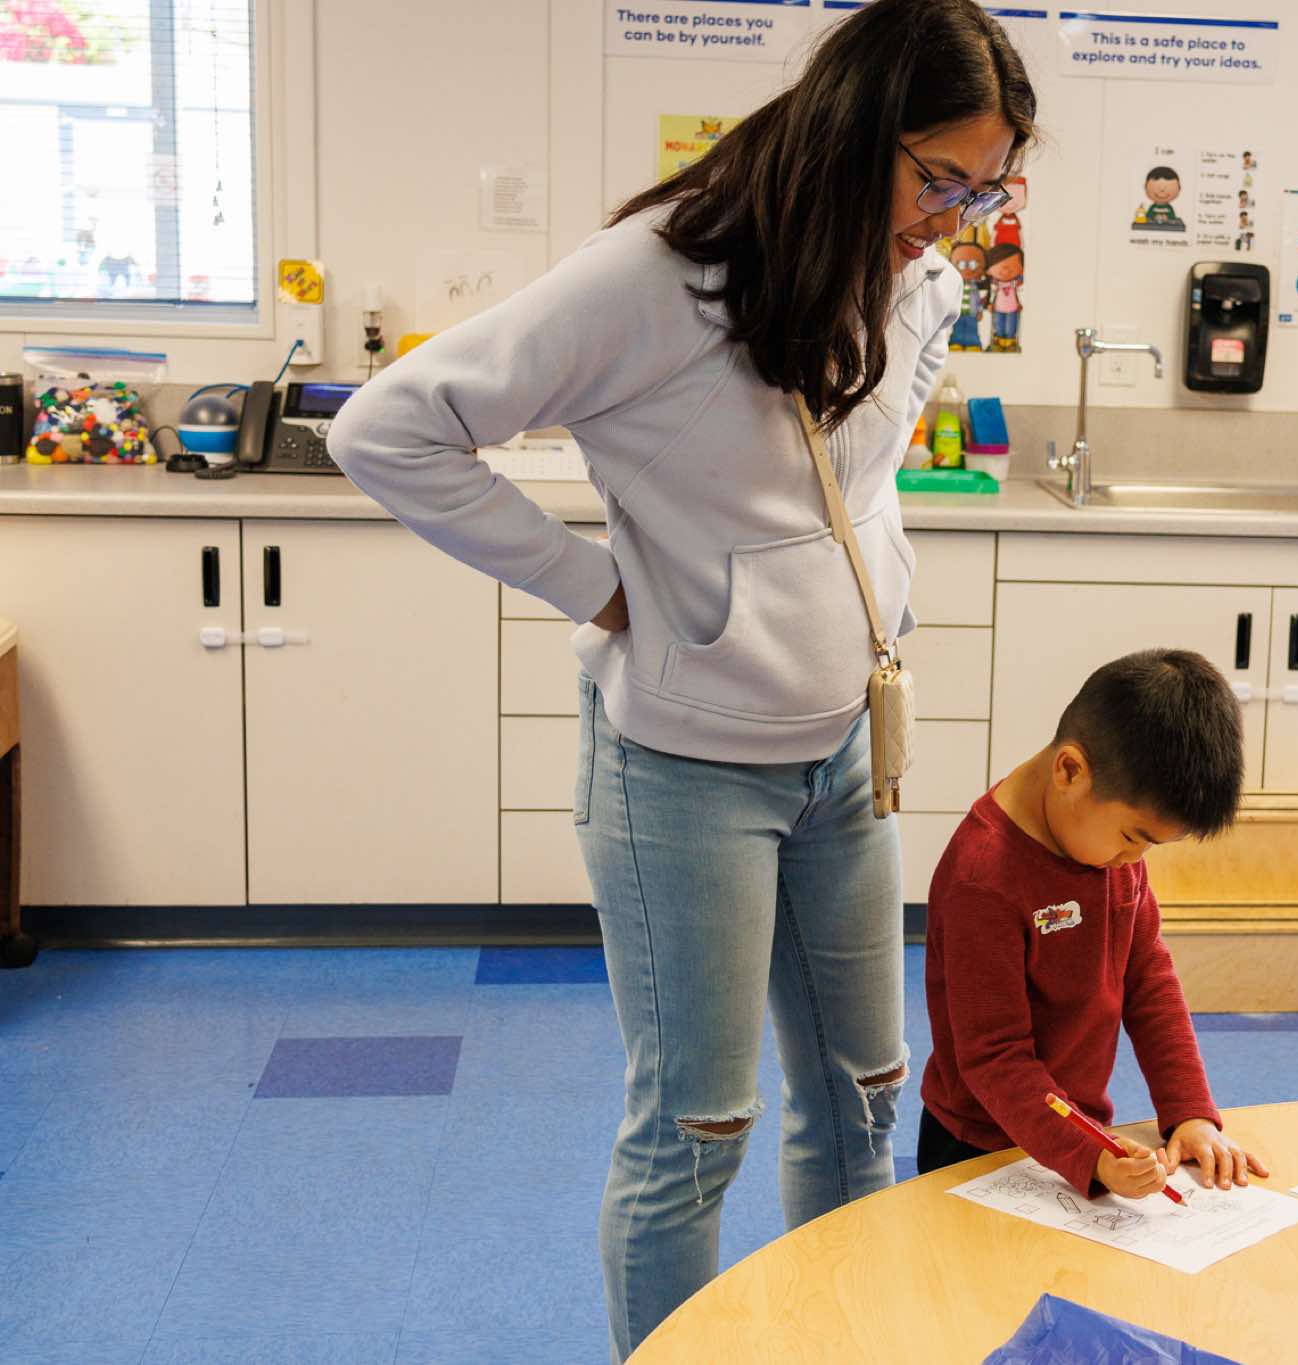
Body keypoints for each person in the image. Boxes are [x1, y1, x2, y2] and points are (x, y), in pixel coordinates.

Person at [327, 2, 1035, 1358]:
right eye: (939, 179)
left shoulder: (915, 279)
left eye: (986, 189)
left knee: (863, 1099)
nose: (957, 219)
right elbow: (389, 430)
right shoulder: (654, 277)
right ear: (851, 132)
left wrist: (868, 587)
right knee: (695, 1131)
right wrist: (592, 585)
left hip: (845, 752)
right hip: (682, 771)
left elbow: (862, 463)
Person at [918, 650, 1269, 1198]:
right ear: (1069, 771)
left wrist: (1189, 1112)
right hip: (977, 1150)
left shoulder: (1106, 849)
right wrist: (1092, 1156)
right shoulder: (983, 879)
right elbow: (994, 1058)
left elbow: (1148, 977)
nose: (1134, 860)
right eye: (1132, 838)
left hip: (1077, 1134)